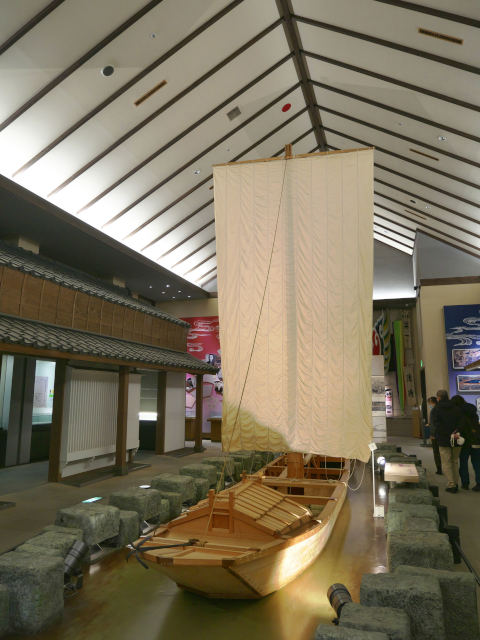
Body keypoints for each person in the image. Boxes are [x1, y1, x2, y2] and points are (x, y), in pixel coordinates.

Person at [430, 389, 468, 493]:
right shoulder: (456, 408)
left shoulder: (437, 409)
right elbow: (462, 422)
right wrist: (456, 431)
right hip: (456, 438)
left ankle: (451, 484)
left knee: (446, 462)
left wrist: (438, 434)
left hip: (443, 439)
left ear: (438, 398)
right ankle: (456, 482)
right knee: (454, 461)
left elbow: (436, 424)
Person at [451, 395, 480, 491]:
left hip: (464, 441)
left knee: (463, 463)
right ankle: (479, 483)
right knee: (477, 463)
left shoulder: (458, 413)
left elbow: (460, 427)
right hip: (476, 440)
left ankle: (465, 483)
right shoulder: (473, 411)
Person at [426, 396, 442, 475]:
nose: (429, 405)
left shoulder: (433, 411)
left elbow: (433, 424)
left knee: (436, 452)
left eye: (429, 403)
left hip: (436, 435)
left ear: (431, 402)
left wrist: (432, 434)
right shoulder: (441, 409)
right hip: (443, 434)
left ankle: (439, 469)